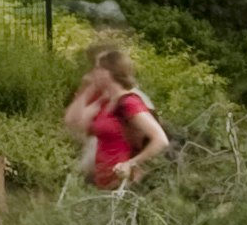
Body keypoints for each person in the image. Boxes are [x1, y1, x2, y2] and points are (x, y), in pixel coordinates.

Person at [65, 40, 169, 190]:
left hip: (123, 185)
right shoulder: (106, 102)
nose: (93, 73)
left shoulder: (129, 102)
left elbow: (160, 139)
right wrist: (88, 88)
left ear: (109, 73)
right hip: (102, 183)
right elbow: (75, 123)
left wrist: (131, 163)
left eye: (98, 68)